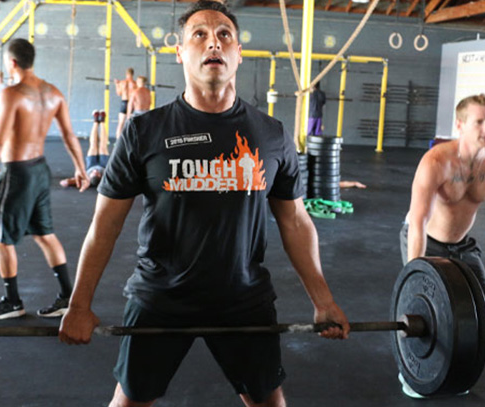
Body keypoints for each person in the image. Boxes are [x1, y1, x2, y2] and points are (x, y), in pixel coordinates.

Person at [59, 2, 349, 406]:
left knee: (269, 402)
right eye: (199, 34)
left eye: (224, 34)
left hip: (243, 298)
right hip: (161, 296)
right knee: (129, 402)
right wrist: (79, 304)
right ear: (179, 52)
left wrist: (323, 300)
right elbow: (104, 225)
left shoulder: (272, 135)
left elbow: (296, 223)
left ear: (237, 53)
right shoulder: (144, 131)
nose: (213, 41)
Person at [399, 93, 485, 396]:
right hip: (424, 239)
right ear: (460, 124)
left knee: (483, 317)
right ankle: (411, 371)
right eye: (479, 121)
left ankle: (457, 370)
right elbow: (418, 220)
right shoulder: (437, 162)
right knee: (423, 314)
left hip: (462, 246)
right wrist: (415, 274)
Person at [0, 39, 89, 320]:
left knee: (1, 240)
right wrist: (80, 169)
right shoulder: (54, 93)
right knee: (45, 234)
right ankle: (67, 297)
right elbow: (70, 136)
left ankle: (12, 302)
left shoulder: (12, 94)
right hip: (40, 170)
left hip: (17, 174)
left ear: (12, 63)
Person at [60, 110, 108, 188]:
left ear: (90, 176)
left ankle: (96, 121)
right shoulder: (105, 178)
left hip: (91, 165)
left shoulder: (86, 178)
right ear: (100, 176)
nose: (95, 171)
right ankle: (102, 121)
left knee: (93, 145)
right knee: (103, 146)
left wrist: (67, 182)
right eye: (98, 173)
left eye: (93, 173)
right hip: (103, 165)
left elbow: (65, 182)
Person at [114, 67, 136, 137]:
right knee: (131, 122)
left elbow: (118, 93)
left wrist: (117, 84)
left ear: (126, 74)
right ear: (133, 74)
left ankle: (117, 141)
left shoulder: (122, 83)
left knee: (121, 122)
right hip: (131, 103)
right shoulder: (135, 83)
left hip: (124, 102)